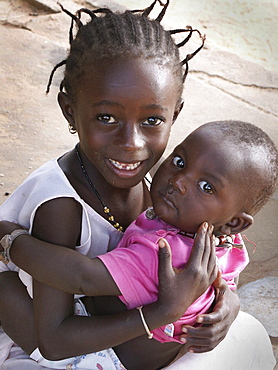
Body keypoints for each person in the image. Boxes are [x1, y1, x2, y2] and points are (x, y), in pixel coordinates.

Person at [0, 1, 274, 369]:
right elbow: (52, 341)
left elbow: (221, 271)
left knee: (247, 332)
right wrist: (163, 313)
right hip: (57, 348)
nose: (131, 143)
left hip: (120, 339)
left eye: (151, 120)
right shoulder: (61, 207)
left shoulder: (165, 186)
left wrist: (225, 306)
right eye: (107, 117)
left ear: (174, 114)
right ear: (69, 109)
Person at [1, 120, 277, 370]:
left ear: (235, 222)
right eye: (180, 162)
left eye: (206, 187)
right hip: (138, 350)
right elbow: (225, 282)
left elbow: (80, 277)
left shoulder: (164, 253)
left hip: (98, 359)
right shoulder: (226, 242)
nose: (178, 182)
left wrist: (11, 239)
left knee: (4, 287)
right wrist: (231, 302)